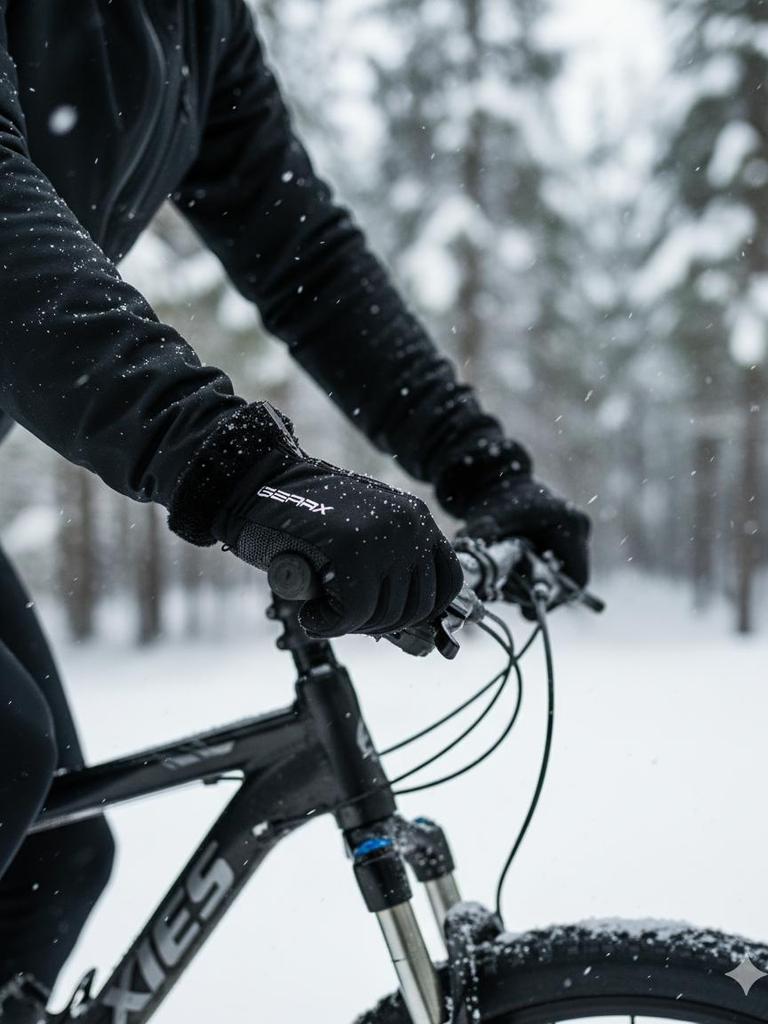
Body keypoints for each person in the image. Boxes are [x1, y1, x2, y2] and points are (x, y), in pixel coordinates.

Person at [0, 1, 591, 1019]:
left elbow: (302, 252)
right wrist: (242, 475)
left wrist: (477, 465)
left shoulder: (198, 24)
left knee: (53, 856)